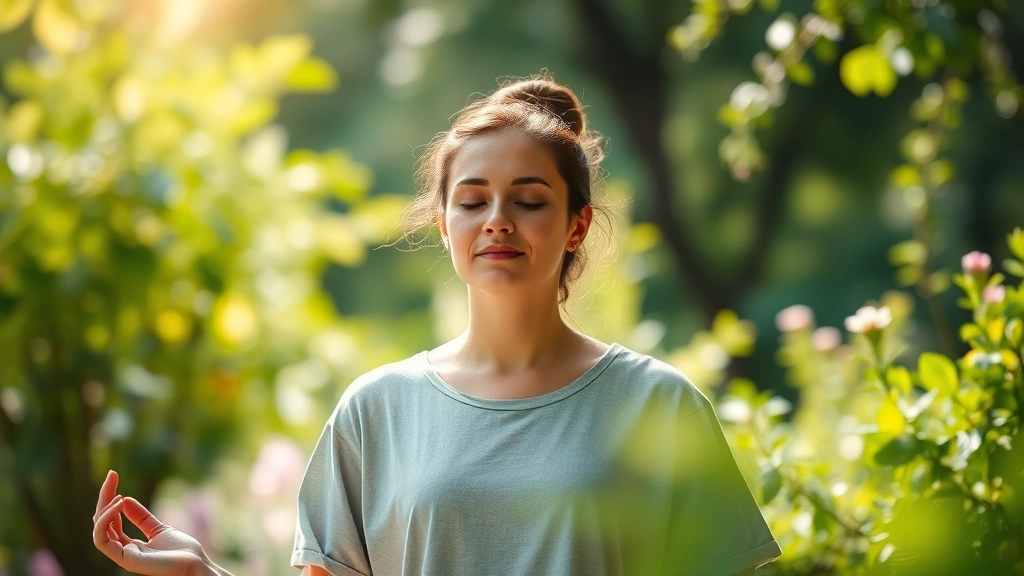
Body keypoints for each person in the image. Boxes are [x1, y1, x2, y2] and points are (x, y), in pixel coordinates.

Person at [92, 74, 782, 576]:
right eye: (472, 201)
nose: (497, 221)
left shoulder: (659, 405)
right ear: (445, 224)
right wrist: (206, 574)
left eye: (529, 200)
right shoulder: (375, 411)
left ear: (576, 226)